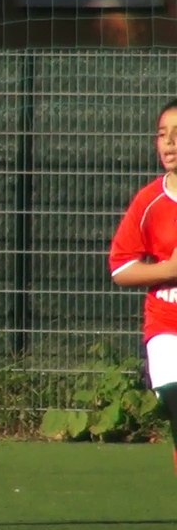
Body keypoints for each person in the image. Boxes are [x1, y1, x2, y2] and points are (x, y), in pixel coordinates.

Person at [109, 97, 177, 472]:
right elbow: (121, 269)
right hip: (167, 326)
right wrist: (168, 270)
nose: (169, 143)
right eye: (162, 134)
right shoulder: (149, 202)